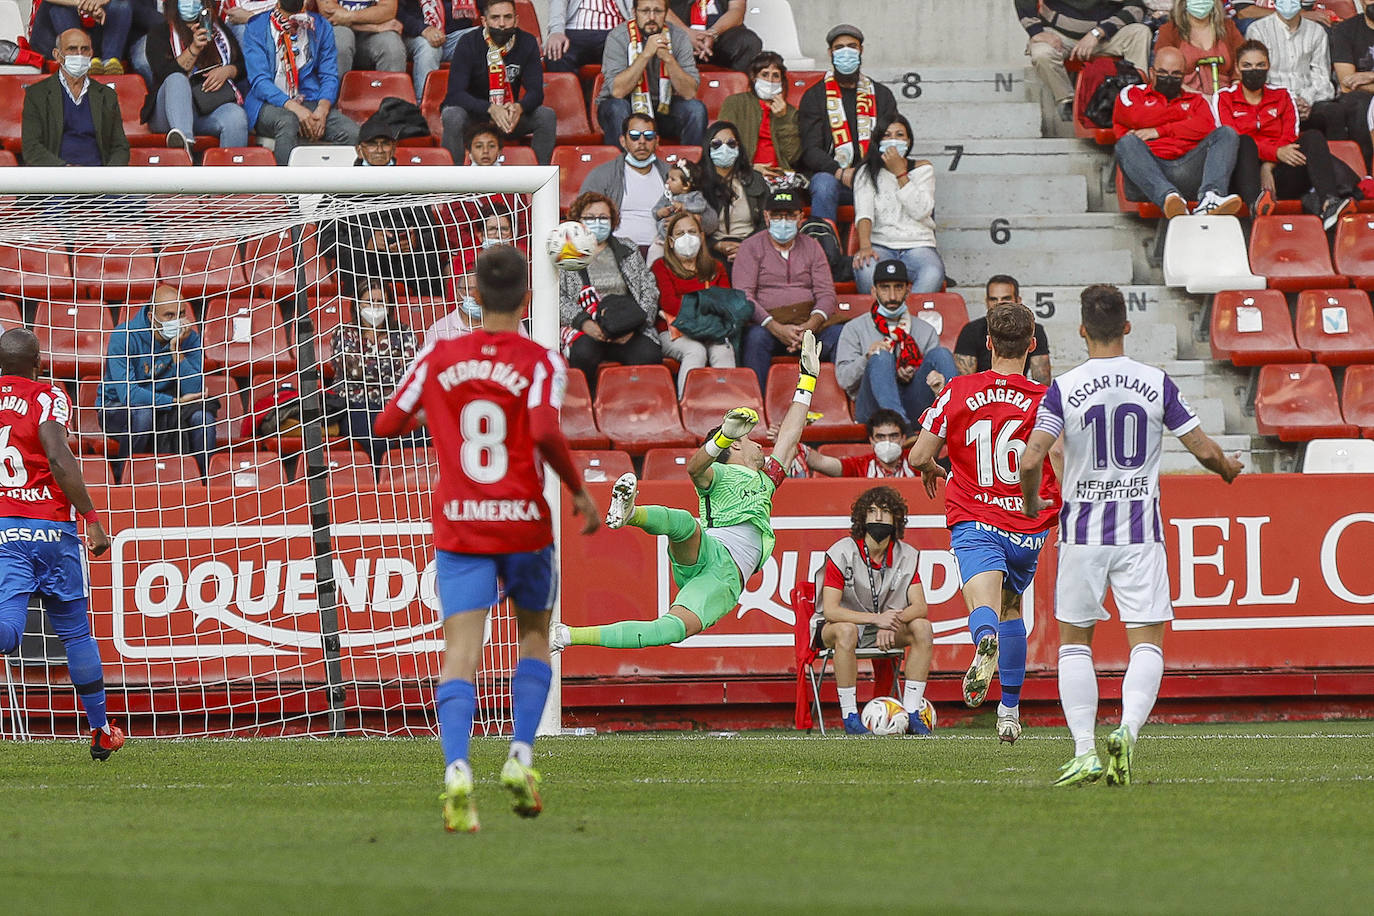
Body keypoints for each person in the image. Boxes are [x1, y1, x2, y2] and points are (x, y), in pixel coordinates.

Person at [374, 245, 601, 834]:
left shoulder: (439, 352)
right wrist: (577, 490)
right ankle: (521, 757)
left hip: (461, 523)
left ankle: (456, 772)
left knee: (461, 653)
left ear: (474, 296)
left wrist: (441, 420)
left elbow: (386, 425)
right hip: (524, 522)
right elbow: (546, 431)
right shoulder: (543, 360)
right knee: (533, 636)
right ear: (527, 300)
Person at [1019, 283, 1243, 787]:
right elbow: (1203, 448)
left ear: (1081, 331)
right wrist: (1227, 470)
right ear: (1126, 326)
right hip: (1140, 534)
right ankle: (1127, 730)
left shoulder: (1065, 387)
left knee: (1075, 645)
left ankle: (1083, 750)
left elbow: (1032, 457)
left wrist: (1035, 505)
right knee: (1148, 644)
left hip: (1081, 534)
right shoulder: (1155, 382)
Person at [551, 332, 817, 652]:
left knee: (670, 629)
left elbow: (789, 438)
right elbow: (694, 469)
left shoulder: (767, 480)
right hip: (710, 550)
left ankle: (565, 636)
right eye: (750, 439)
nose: (761, 444)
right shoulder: (719, 473)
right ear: (734, 443)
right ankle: (630, 513)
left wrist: (809, 381)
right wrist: (720, 438)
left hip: (723, 580)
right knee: (686, 524)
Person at [907, 302, 1061, 745]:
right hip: (1026, 525)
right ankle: (1009, 713)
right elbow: (1058, 459)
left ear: (988, 343)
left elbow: (918, 456)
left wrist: (936, 468)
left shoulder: (957, 390)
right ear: (1032, 346)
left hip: (975, 517)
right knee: (1013, 607)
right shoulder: (1044, 399)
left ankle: (985, 640)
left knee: (985, 609)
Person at [0, 329, 122, 762]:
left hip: (4, 531)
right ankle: (101, 729)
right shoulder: (49, 396)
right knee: (75, 633)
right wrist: (91, 517)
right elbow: (57, 454)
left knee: (9, 630)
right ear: (38, 361)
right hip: (52, 530)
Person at [813, 486, 935, 735]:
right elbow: (831, 611)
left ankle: (911, 713)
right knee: (846, 631)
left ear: (896, 518)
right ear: (862, 518)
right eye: (872, 511)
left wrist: (889, 622)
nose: (878, 517)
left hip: (881, 626)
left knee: (922, 627)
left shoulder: (906, 555)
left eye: (885, 511)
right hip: (836, 628)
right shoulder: (841, 552)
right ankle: (850, 717)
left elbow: (920, 607)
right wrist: (877, 619)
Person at [1220, 39, 1356, 227]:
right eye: (1247, 65)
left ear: (1269, 66)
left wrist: (1269, 165)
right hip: (1243, 176)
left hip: (1280, 172)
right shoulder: (1224, 97)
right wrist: (1274, 152)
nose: (1254, 70)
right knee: (1243, 142)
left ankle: (1329, 203)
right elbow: (1231, 138)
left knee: (1312, 137)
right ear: (1237, 68)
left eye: (1260, 65)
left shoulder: (1283, 95)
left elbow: (1290, 137)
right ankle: (1256, 207)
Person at [317, 115, 448, 295]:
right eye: (372, 144)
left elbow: (431, 231)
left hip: (403, 256)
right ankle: (357, 318)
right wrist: (366, 242)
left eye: (385, 144)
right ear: (359, 150)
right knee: (355, 257)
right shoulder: (340, 186)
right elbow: (325, 239)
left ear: (393, 148)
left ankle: (430, 317)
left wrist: (414, 241)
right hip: (364, 258)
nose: (379, 149)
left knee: (428, 258)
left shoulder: (411, 183)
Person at [98, 285, 216, 479]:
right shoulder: (124, 335)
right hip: (117, 409)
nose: (177, 321)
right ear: (153, 318)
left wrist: (177, 353)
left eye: (181, 313)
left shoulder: (190, 339)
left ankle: (204, 483)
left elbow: (194, 390)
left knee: (202, 418)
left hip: (165, 408)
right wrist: (173, 402)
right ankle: (124, 477)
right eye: (169, 315)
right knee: (143, 414)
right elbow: (129, 394)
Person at [733, 188, 843, 392]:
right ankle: (757, 407)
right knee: (755, 339)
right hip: (767, 326)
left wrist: (810, 326)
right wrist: (775, 327)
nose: (783, 221)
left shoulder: (812, 246)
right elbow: (744, 296)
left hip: (810, 324)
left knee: (842, 334)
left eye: (790, 215)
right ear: (766, 217)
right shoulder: (750, 247)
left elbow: (826, 293)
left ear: (801, 218)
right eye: (777, 215)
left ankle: (838, 401)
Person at [1113, 45, 1242, 217]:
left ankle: (1211, 198)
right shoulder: (1131, 94)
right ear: (1151, 72)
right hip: (1149, 173)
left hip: (1190, 168)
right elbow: (1137, 118)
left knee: (1226, 133)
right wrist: (1183, 115)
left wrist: (1159, 131)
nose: (1169, 78)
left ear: (1183, 76)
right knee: (1127, 143)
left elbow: (1205, 126)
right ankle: (1169, 198)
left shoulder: (1196, 100)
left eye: (1176, 74)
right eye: (1163, 72)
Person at [558, 192, 662, 391]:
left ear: (613, 221)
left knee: (649, 354)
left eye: (603, 218)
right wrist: (584, 322)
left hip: (629, 327)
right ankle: (587, 407)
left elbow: (649, 289)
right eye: (589, 217)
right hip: (585, 327)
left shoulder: (628, 248)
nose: (597, 222)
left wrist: (633, 324)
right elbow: (557, 298)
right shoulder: (566, 252)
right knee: (584, 353)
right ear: (577, 220)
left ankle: (636, 410)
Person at [834, 258, 956, 428]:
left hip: (914, 401)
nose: (892, 296)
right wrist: (868, 358)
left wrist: (917, 372)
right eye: (885, 288)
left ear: (908, 290)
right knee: (880, 356)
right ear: (873, 291)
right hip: (872, 408)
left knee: (942, 354)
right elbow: (844, 380)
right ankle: (902, 428)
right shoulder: (854, 328)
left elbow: (932, 377)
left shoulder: (925, 330)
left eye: (898, 287)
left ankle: (959, 420)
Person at [796, 24, 897, 223]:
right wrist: (839, 172)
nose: (846, 52)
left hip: (873, 175)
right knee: (824, 184)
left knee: (912, 180)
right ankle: (824, 244)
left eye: (852, 46)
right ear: (830, 53)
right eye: (839, 48)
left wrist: (865, 172)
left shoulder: (881, 95)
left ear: (861, 50)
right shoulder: (814, 96)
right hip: (834, 178)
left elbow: (890, 140)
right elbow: (810, 149)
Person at [242, 0, 360, 167]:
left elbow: (329, 75)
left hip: (310, 102)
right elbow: (259, 81)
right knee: (288, 120)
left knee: (352, 133)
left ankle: (332, 189)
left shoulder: (320, 26)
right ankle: (285, 190)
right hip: (268, 104)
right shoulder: (256, 26)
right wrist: (295, 108)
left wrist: (322, 109)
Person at [439, 0, 556, 166]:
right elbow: (455, 94)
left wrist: (519, 108)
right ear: (484, 21)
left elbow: (536, 93)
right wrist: (491, 109)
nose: (502, 24)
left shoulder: (527, 42)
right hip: (475, 116)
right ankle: (452, 184)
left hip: (508, 117)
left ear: (516, 20)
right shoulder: (468, 42)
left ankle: (538, 184)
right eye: (495, 18)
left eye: (507, 17)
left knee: (546, 115)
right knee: (452, 115)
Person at [328, 278, 419, 463]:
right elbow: (353, 370)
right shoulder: (344, 333)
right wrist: (391, 363)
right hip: (355, 404)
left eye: (380, 302)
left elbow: (409, 367)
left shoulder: (404, 332)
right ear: (358, 305)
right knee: (374, 438)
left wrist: (370, 365)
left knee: (417, 434)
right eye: (369, 302)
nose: (375, 307)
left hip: (395, 401)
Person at [851, 113, 943, 295]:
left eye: (900, 135)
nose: (893, 140)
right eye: (887, 135)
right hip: (881, 244)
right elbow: (864, 214)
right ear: (878, 141)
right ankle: (879, 320)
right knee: (866, 269)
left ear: (909, 141)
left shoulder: (923, 169)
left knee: (933, 273)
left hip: (918, 244)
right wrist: (865, 246)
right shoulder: (866, 172)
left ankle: (908, 319)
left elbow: (921, 211)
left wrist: (901, 174)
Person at [141, 0, 249, 153]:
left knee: (236, 116)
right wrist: (194, 49)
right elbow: (163, 72)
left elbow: (242, 65)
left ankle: (228, 174)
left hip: (205, 107)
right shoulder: (159, 32)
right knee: (177, 78)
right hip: (167, 111)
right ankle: (185, 144)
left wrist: (228, 70)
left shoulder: (217, 29)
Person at [1015, 0, 1152, 120]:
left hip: (1105, 35)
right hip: (1059, 35)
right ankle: (1066, 101)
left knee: (1140, 32)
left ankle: (1135, 98)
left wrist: (1098, 32)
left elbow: (1136, 8)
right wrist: (1037, 32)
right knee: (1041, 53)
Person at [595, 0, 706, 147]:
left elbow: (689, 92)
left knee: (696, 110)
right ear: (634, 13)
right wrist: (646, 54)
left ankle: (690, 167)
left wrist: (668, 59)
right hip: (623, 104)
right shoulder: (618, 36)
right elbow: (618, 91)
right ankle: (621, 167)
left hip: (663, 106)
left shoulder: (679, 36)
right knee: (617, 107)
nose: (651, 17)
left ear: (666, 14)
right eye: (645, 11)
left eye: (658, 11)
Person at [651, 210, 737, 393]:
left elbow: (726, 304)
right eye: (680, 234)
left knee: (723, 350)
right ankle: (687, 405)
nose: (687, 237)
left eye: (692, 232)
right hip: (674, 332)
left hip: (712, 330)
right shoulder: (661, 267)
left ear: (701, 237)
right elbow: (669, 304)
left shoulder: (716, 267)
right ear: (671, 241)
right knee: (695, 351)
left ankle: (727, 406)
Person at [21, 28, 130, 167]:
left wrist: (106, 178)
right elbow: (31, 147)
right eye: (72, 49)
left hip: (99, 181)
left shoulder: (107, 96)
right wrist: (65, 170)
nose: (79, 54)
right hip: (57, 179)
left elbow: (120, 147)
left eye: (84, 49)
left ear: (91, 53)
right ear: (57, 55)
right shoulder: (37, 95)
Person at [579, 112, 668, 251]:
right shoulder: (602, 174)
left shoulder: (672, 175)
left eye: (649, 136)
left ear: (657, 141)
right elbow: (582, 215)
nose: (642, 141)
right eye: (634, 136)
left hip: (664, 251)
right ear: (623, 141)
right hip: (617, 252)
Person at [1245, 0, 1334, 127]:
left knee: (1334, 113)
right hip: (1273, 101)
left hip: (1309, 100)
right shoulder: (1257, 30)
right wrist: (1289, 100)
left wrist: (1306, 99)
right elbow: (1257, 77)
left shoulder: (1317, 31)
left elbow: (1321, 75)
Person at [1307, 4, 1374, 171]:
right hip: (1359, 98)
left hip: (1366, 88)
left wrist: (1370, 76)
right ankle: (1363, 175)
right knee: (1358, 103)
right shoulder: (1346, 29)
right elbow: (1347, 84)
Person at [954, 275, 1051, 385]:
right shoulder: (971, 330)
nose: (999, 303)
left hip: (1019, 393)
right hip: (980, 395)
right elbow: (965, 384)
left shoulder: (1033, 329)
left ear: (1018, 300)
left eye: (1006, 298)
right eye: (993, 299)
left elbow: (1042, 382)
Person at [695, 118, 767, 265]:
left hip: (752, 246)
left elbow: (767, 221)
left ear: (738, 147)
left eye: (731, 144)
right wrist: (715, 245)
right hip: (709, 249)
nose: (724, 149)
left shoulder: (755, 179)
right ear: (707, 147)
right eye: (716, 144)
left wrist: (747, 247)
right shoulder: (696, 181)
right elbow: (689, 223)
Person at [718, 50, 801, 177]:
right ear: (754, 77)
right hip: (744, 173)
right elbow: (722, 146)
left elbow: (792, 157)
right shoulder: (735, 103)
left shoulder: (790, 112)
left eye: (776, 76)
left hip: (779, 175)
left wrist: (783, 119)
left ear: (782, 80)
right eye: (765, 74)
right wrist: (750, 167)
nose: (770, 81)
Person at [1155, 0, 1245, 95]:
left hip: (1227, 100)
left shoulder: (1228, 27)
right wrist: (1200, 98)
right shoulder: (1169, 30)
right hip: (1184, 100)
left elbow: (1243, 62)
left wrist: (1231, 93)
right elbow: (1163, 74)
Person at [399, 0, 480, 98]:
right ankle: (424, 105)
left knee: (487, 35)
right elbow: (398, 13)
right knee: (429, 47)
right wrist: (423, 29)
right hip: (415, 36)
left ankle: (491, 102)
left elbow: (489, 7)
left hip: (453, 38)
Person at [805, 409, 916, 478]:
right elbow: (820, 462)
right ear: (872, 441)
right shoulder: (860, 465)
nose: (887, 442)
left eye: (893, 436)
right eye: (880, 437)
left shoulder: (918, 462)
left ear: (903, 439)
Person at [31, 0, 134, 75]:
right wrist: (83, 3)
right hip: (54, 38)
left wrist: (100, 2)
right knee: (59, 7)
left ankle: (110, 63)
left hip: (98, 37)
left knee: (121, 4)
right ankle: (79, 59)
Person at [664, 0, 760, 74]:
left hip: (718, 35)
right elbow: (658, 6)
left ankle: (733, 95)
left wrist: (713, 34)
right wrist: (687, 34)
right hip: (679, 34)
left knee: (749, 41)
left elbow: (737, 9)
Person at [315, 0, 406, 75]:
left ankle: (391, 96)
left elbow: (388, 10)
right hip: (336, 30)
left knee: (392, 45)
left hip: (370, 37)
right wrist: (375, 28)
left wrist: (349, 17)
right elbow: (328, 13)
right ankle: (332, 96)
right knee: (341, 40)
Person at [544, 0, 631, 74]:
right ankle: (567, 94)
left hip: (613, 30)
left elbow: (635, 6)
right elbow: (558, 2)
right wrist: (556, 31)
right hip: (575, 31)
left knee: (632, 53)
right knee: (555, 53)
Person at [652, 159, 714, 249]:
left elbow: (701, 206)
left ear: (686, 185)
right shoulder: (667, 196)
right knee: (661, 224)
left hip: (688, 235)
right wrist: (659, 212)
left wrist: (684, 207)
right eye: (668, 178)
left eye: (672, 179)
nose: (667, 182)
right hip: (667, 233)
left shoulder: (695, 195)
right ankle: (665, 240)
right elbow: (655, 210)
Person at [426, 272, 479, 340]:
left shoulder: (495, 323)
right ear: (457, 293)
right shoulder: (438, 330)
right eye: (470, 289)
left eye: (481, 289)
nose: (476, 294)